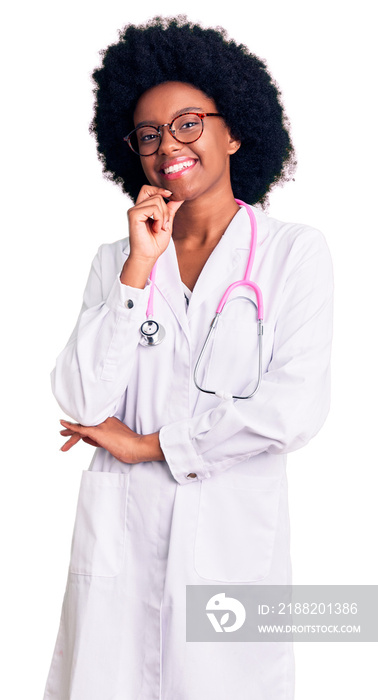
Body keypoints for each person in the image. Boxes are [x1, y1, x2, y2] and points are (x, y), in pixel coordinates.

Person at [43, 16, 333, 700]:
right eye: (149, 134)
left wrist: (154, 447)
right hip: (123, 546)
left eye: (188, 123)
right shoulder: (117, 262)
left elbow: (293, 410)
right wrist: (140, 268)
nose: (168, 144)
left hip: (232, 554)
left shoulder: (294, 253)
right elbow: (80, 400)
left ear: (234, 132)